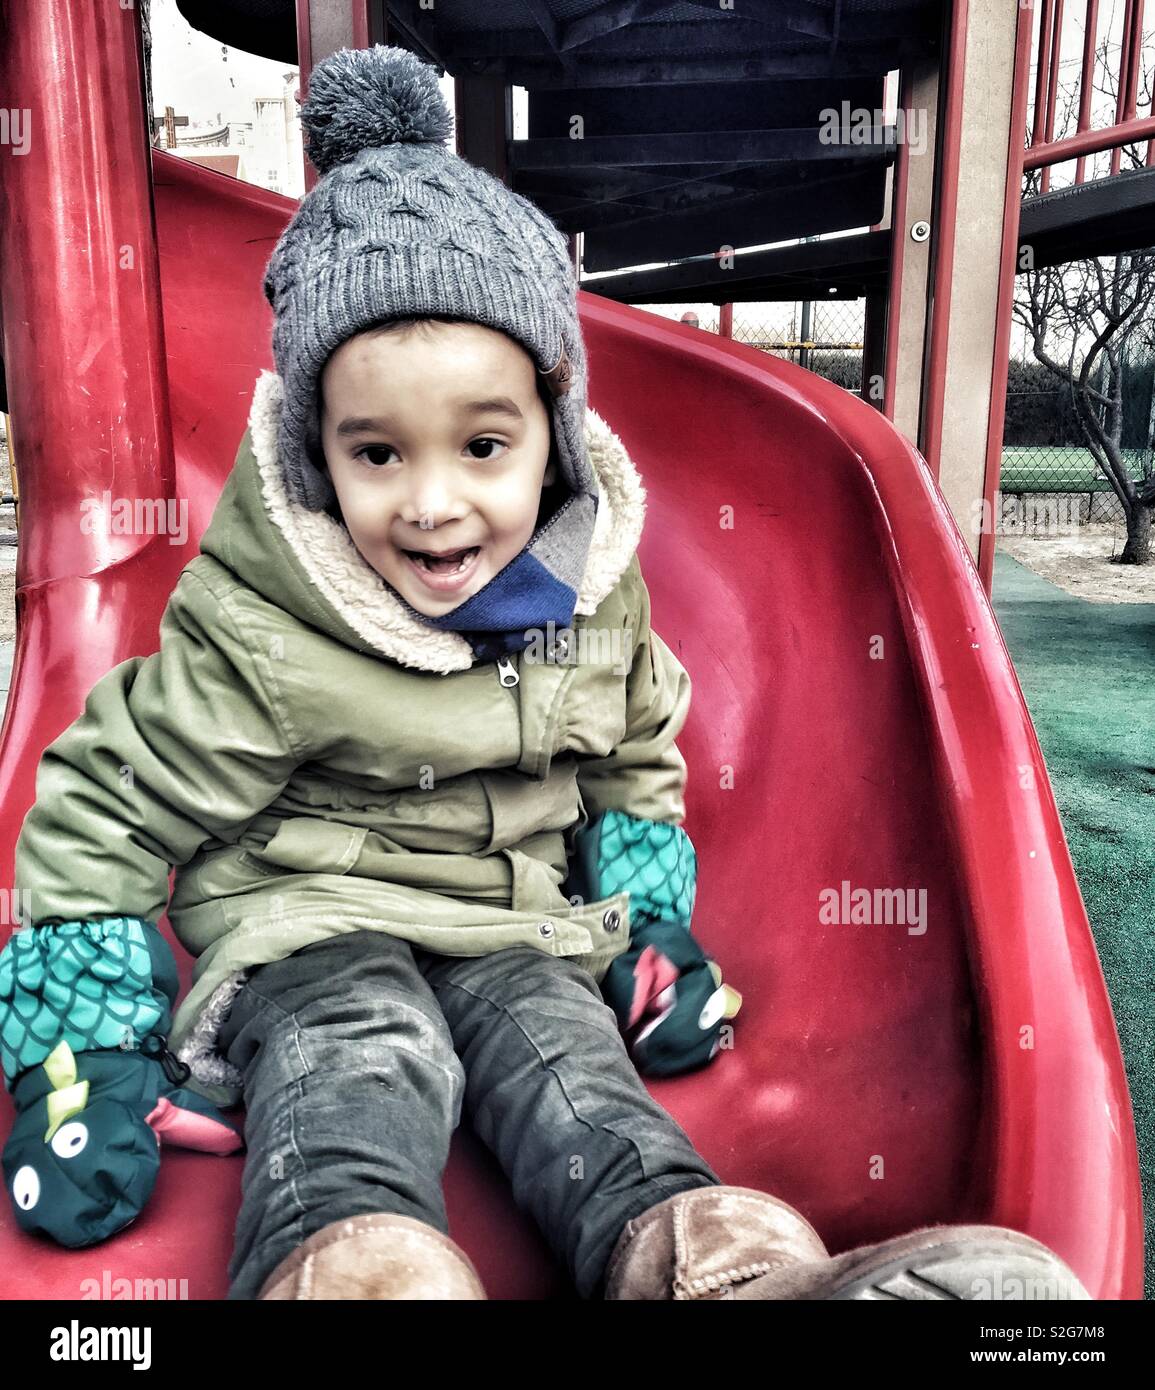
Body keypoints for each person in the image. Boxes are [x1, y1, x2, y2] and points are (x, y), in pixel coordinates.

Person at [0, 44, 1089, 1303]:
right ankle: (348, 1274)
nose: (433, 503)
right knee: (361, 1057)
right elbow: (107, 800)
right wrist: (83, 1056)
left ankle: (722, 1274)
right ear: (318, 453)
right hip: (311, 921)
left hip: (517, 924)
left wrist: (645, 926)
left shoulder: (586, 589)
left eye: (482, 443)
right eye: (376, 453)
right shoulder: (272, 623)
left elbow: (635, 744)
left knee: (574, 1071)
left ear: (553, 433)